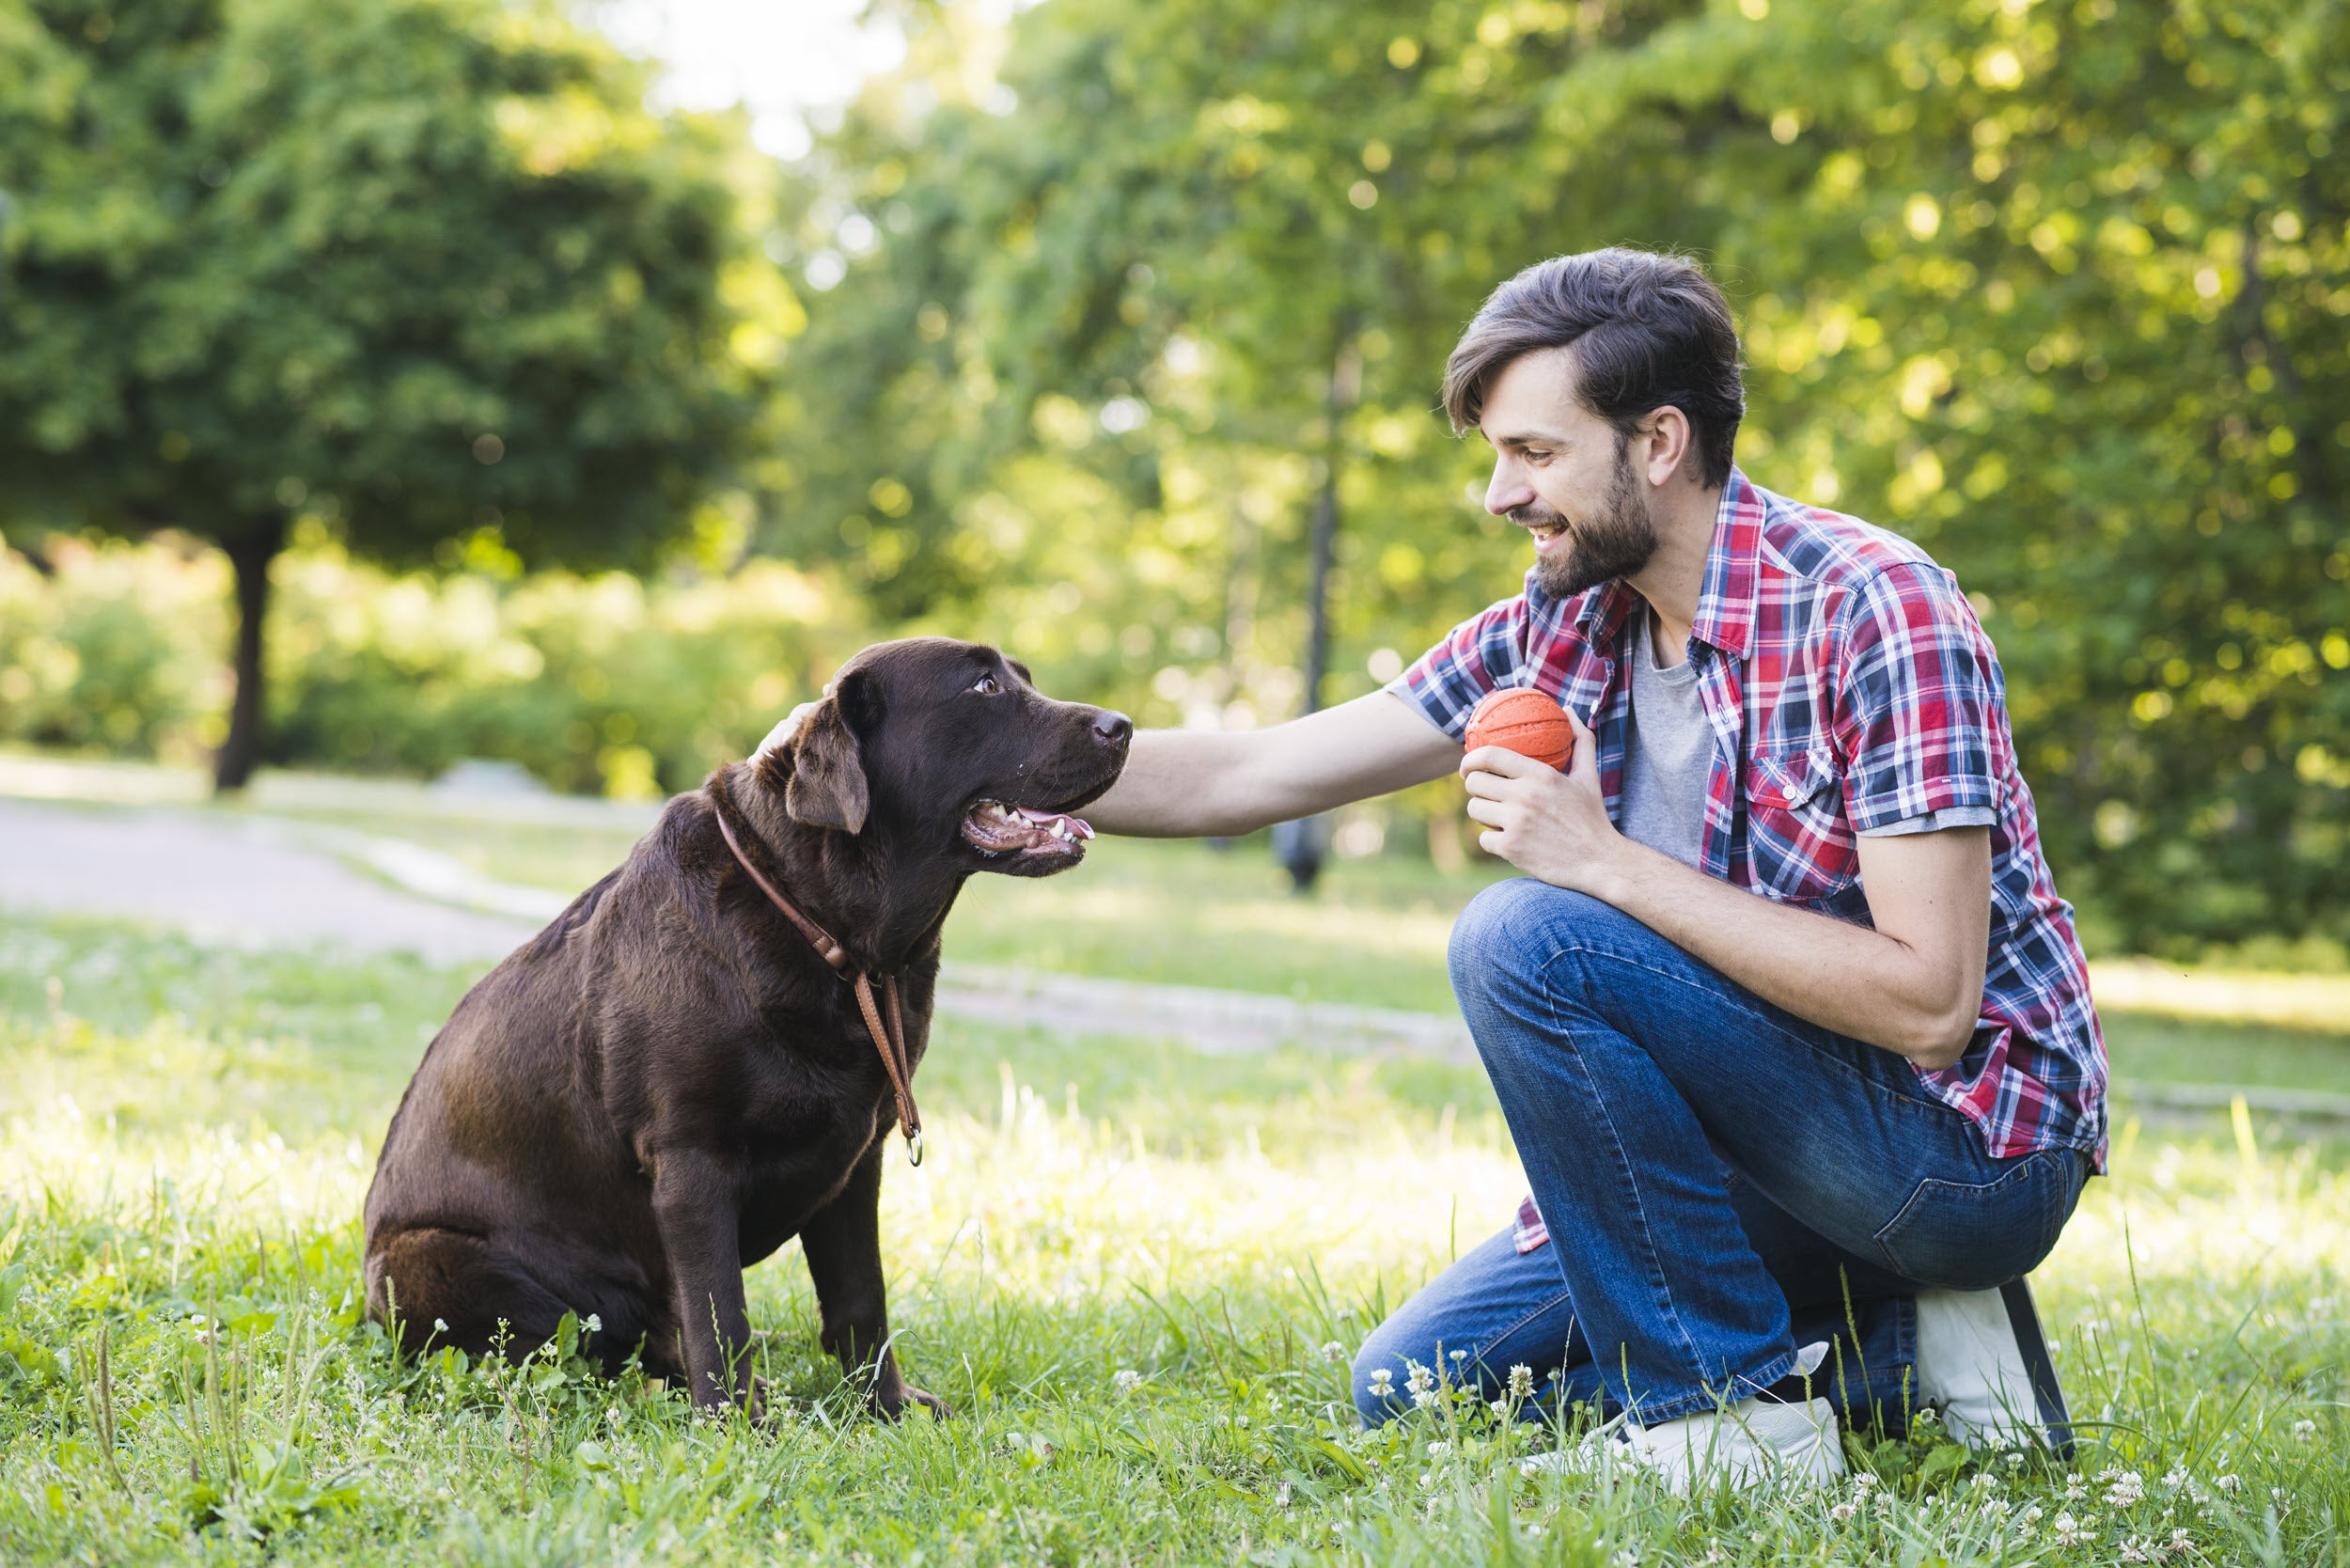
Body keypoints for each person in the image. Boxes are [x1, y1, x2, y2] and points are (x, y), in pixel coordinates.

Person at [765, 246, 2105, 1491]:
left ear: (1660, 442)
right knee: (1413, 1389)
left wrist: (1606, 864)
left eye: (1532, 450)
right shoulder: (1566, 622)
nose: (1499, 491)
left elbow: (1931, 1002)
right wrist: (933, 767)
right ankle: (1917, 1363)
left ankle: (1731, 1420)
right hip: (1771, 1152)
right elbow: (1251, 775)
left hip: (1956, 1152)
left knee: (1525, 935)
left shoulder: (1878, 608)